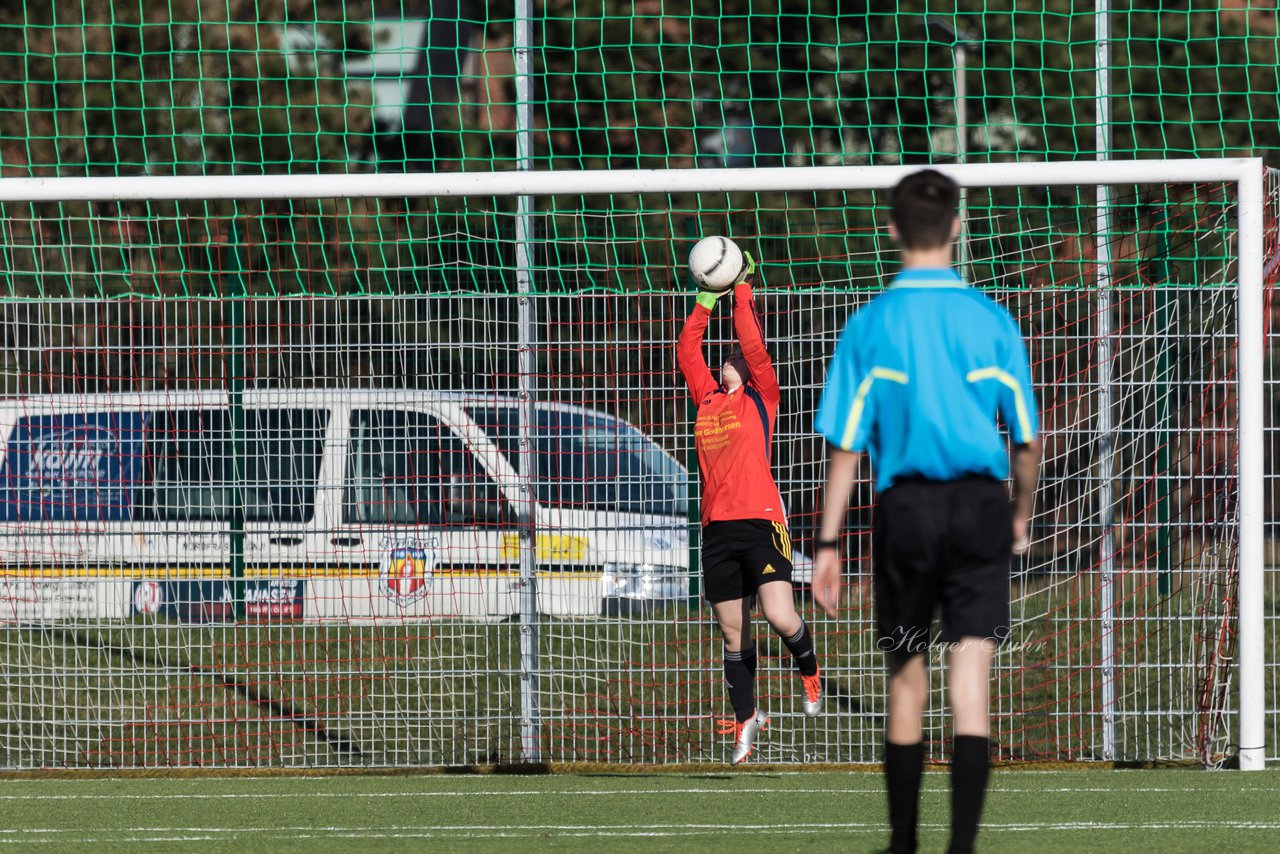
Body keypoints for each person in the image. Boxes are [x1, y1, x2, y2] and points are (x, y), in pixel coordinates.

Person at [811, 170, 1042, 854]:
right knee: (969, 680)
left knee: (906, 680)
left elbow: (847, 449)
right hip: (979, 505)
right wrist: (1020, 514)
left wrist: (827, 545)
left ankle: (904, 846)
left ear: (892, 232)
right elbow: (1025, 440)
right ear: (958, 228)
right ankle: (961, 850)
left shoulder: (870, 324)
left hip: (906, 509)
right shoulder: (990, 319)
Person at [676, 250, 823, 765]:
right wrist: (705, 297)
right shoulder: (708, 399)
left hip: (761, 522)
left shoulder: (762, 395)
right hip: (717, 530)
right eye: (730, 356)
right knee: (733, 633)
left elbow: (751, 340)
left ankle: (809, 670)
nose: (734, 357)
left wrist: (740, 285)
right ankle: (746, 722)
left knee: (781, 616)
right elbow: (687, 349)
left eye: (741, 356)